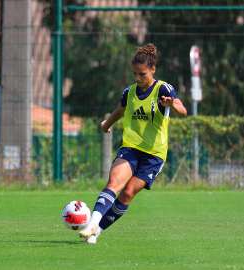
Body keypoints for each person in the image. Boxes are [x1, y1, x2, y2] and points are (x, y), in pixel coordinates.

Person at [79, 44, 187, 243]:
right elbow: (120, 111)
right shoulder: (129, 92)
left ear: (153, 70)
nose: (137, 78)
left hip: (154, 155)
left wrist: (172, 104)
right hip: (131, 148)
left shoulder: (163, 88)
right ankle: (92, 222)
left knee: (127, 194)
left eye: (142, 74)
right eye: (134, 74)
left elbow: (183, 110)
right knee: (114, 183)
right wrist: (106, 125)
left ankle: (97, 230)